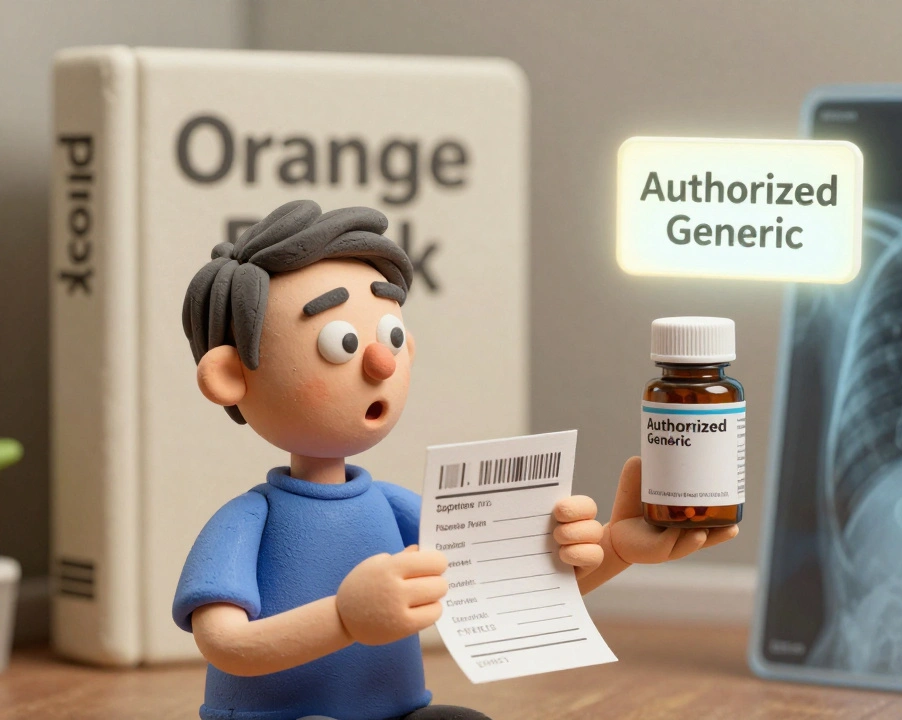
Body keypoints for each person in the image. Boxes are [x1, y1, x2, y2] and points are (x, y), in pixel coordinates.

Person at [175, 200, 737, 720]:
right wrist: (345, 618)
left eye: (391, 336)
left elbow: (507, 591)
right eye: (340, 342)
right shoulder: (247, 522)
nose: (379, 361)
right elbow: (225, 645)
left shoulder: (393, 507)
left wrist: (615, 547)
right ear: (230, 376)